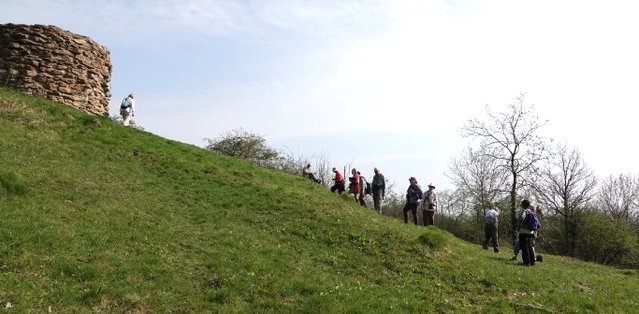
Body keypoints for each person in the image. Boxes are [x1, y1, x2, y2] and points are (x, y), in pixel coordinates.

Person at [518, 199, 539, 266]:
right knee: (530, 247)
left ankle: (526, 262)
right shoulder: (533, 212)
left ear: (523, 205)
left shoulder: (525, 211)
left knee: (524, 247)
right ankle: (532, 261)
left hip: (523, 231)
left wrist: (520, 224)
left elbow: (521, 218)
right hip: (531, 232)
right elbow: (538, 224)